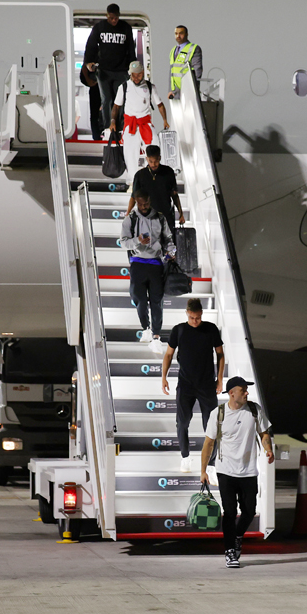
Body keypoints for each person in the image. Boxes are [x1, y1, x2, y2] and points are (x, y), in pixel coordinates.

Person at [200, 376, 273, 568]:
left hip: (248, 471)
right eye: (243, 390)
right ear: (232, 393)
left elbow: (264, 432)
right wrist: (203, 471)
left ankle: (238, 536)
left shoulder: (254, 410)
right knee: (230, 512)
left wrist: (268, 449)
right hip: (226, 471)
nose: (247, 393)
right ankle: (230, 550)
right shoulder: (219, 413)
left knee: (249, 511)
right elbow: (208, 443)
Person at [161, 298, 225, 472]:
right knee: (182, 422)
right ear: (187, 314)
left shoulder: (210, 329)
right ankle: (185, 457)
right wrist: (163, 377)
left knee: (211, 425)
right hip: (186, 385)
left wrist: (220, 379)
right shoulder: (179, 330)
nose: (194, 321)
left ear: (201, 314)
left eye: (197, 318)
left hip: (206, 385)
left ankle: (210, 465)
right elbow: (168, 355)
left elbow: (220, 354)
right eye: (191, 318)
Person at [120, 189, 176, 354]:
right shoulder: (130, 219)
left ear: (150, 201)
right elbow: (123, 243)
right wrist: (138, 241)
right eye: (140, 203)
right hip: (138, 263)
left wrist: (171, 252)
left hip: (156, 264)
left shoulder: (160, 217)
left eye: (146, 203)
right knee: (139, 298)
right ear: (136, 202)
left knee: (157, 302)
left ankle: (156, 338)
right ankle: (146, 328)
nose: (143, 206)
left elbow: (168, 239)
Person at [111, 61, 169, 183]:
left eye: (138, 74)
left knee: (154, 148)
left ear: (143, 73)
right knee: (130, 154)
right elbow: (116, 107)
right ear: (129, 74)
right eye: (133, 75)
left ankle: (155, 178)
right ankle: (132, 182)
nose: (136, 77)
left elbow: (160, 105)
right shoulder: (124, 87)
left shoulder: (150, 87)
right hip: (130, 125)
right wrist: (112, 122)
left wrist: (165, 120)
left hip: (145, 124)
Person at [83, 4, 136, 131]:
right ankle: (108, 128)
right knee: (106, 100)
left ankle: (121, 127)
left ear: (119, 15)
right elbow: (91, 46)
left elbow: (131, 49)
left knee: (121, 100)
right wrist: (88, 62)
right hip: (104, 71)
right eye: (111, 18)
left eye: (116, 18)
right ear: (107, 15)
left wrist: (132, 68)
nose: (114, 20)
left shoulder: (125, 28)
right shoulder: (99, 27)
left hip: (121, 70)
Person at [127, 145, 184, 224]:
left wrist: (181, 213)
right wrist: (127, 214)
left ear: (159, 158)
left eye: (156, 161)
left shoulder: (168, 172)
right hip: (146, 218)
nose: (153, 164)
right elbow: (133, 197)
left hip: (166, 216)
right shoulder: (140, 175)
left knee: (168, 236)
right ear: (146, 159)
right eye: (151, 161)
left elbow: (174, 195)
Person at [167, 25, 203, 99]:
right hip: (175, 92)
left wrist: (193, 89)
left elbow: (197, 71)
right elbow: (171, 72)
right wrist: (170, 90)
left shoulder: (193, 48)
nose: (178, 36)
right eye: (176, 33)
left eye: (181, 33)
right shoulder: (173, 50)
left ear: (187, 34)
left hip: (188, 90)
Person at [79, 65, 103, 141]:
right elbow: (85, 67)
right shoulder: (93, 54)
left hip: (99, 85)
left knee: (97, 113)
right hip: (97, 86)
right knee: (95, 114)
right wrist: (88, 80)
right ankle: (97, 137)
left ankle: (100, 136)